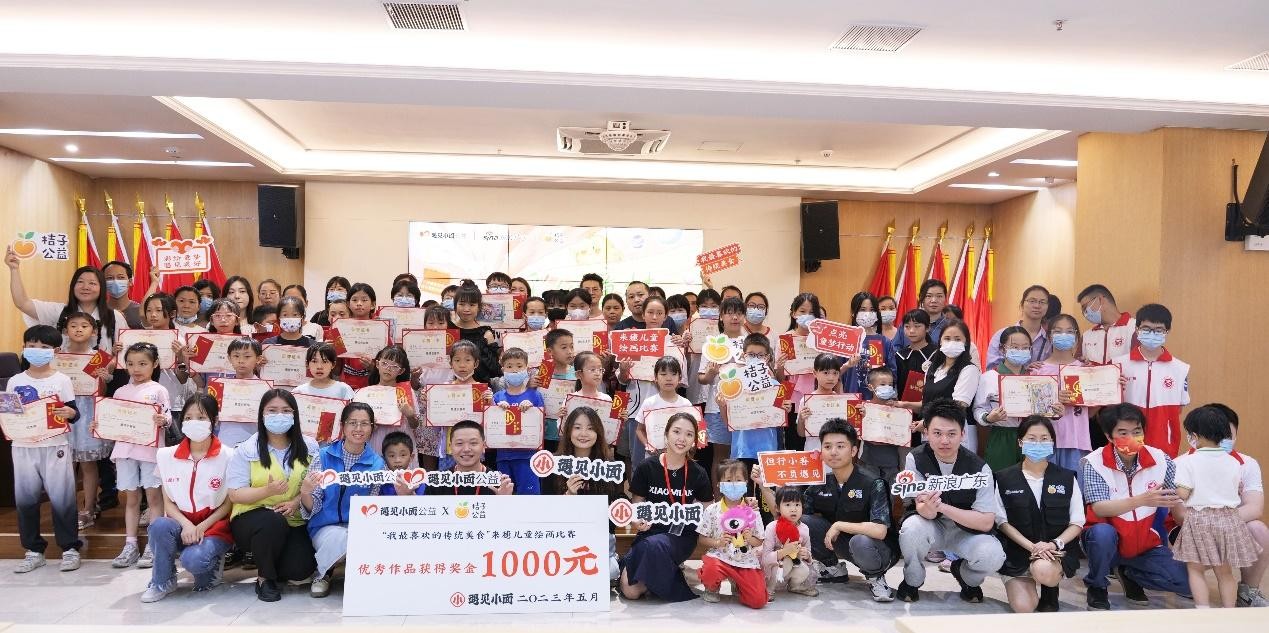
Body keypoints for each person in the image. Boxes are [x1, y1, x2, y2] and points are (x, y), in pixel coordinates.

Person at [1079, 403, 1190, 610]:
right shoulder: (1093, 462)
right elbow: (1099, 508)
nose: (1131, 437)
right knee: (1102, 535)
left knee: (1186, 583)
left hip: (1145, 543)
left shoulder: (1161, 459)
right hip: (1107, 540)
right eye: (1123, 433)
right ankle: (1097, 586)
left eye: (1137, 431)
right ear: (1109, 436)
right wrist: (1142, 500)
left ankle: (1130, 574)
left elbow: (1176, 500)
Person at [896, 399, 1006, 604]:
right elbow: (924, 510)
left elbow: (985, 522)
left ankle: (966, 576)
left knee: (993, 555)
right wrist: (930, 508)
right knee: (911, 529)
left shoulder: (980, 468)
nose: (944, 440)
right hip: (931, 525)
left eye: (951, 434)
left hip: (966, 532)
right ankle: (912, 580)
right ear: (926, 433)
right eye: (937, 433)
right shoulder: (916, 458)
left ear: (963, 434)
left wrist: (942, 506)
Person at [789, 419, 898, 601]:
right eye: (827, 446)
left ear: (853, 450)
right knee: (804, 522)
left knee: (860, 541)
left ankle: (876, 577)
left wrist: (839, 525)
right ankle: (832, 568)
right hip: (841, 543)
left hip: (879, 549)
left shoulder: (873, 482)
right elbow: (792, 518)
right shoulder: (820, 483)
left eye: (840, 446)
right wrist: (767, 487)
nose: (833, 452)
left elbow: (880, 531)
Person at [226, 389, 318, 602]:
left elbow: (316, 484)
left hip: (293, 518)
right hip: (253, 518)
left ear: (294, 415)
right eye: (272, 411)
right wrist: (267, 491)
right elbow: (235, 494)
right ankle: (265, 578)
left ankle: (273, 562)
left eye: (286, 411)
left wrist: (296, 501)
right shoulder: (246, 449)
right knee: (272, 522)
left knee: (300, 569)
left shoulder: (310, 447)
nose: (279, 416)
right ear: (262, 414)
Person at [141, 394, 234, 602]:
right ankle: (162, 581)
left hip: (214, 525)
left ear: (214, 420)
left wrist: (201, 527)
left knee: (194, 562)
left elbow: (229, 503)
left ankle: (212, 564)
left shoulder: (229, 456)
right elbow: (168, 502)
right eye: (188, 418)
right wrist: (186, 525)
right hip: (182, 524)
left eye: (201, 417)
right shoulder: (166, 456)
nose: (194, 422)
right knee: (159, 526)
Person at [9, 325, 83, 573]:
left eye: (44, 347)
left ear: (55, 351)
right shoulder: (15, 381)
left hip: (55, 445)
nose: (37, 350)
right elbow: (9, 413)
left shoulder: (61, 380)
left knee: (63, 498)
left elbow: (74, 413)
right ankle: (33, 550)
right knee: (26, 499)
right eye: (32, 346)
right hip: (23, 446)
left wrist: (70, 412)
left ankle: (70, 548)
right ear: (24, 348)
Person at [1172, 406, 1262, 608]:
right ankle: (1228, 611)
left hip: (1199, 520)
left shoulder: (1188, 462)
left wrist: (1174, 488)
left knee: (1195, 570)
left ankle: (1203, 610)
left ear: (1194, 436)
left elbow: (1183, 495)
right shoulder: (1234, 462)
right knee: (1225, 572)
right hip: (1229, 520)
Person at [993, 416, 1085, 613]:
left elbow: (1077, 521)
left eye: (1044, 439)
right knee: (1024, 608)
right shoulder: (1003, 478)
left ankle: (1050, 589)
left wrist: (1053, 545)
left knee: (1044, 570)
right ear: (1020, 442)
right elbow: (1001, 522)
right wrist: (1033, 547)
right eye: (1031, 438)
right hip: (1018, 552)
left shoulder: (1067, 477)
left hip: (1054, 553)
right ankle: (1024, 580)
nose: (1038, 444)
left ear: (1052, 442)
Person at [300, 402, 391, 598]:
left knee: (363, 537)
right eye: (353, 423)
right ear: (343, 426)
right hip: (325, 527)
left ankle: (355, 573)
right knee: (340, 538)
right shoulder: (323, 456)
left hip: (358, 526)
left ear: (372, 428)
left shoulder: (378, 464)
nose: (358, 428)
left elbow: (373, 504)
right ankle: (323, 574)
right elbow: (313, 505)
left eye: (364, 424)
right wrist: (305, 492)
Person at [621, 412, 713, 602]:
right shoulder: (647, 467)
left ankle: (662, 570)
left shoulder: (698, 473)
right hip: (649, 532)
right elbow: (636, 505)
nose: (682, 438)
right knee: (631, 592)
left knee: (654, 546)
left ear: (694, 441)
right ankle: (667, 570)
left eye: (689, 434)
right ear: (666, 434)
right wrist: (637, 521)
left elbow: (708, 510)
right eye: (676, 432)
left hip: (681, 535)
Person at [105, 342, 173, 569]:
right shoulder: (119, 391)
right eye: (131, 364)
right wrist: (101, 424)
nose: (136, 369)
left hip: (150, 451)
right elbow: (112, 419)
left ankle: (154, 545)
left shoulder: (158, 390)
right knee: (132, 499)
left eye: (143, 363)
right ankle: (130, 544)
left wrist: (164, 420)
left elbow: (168, 416)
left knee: (154, 499)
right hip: (125, 451)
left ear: (155, 364)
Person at [1201, 404, 1269, 606]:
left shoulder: (1247, 464)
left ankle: (1248, 592)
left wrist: (1221, 523)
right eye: (1215, 434)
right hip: (1192, 532)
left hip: (1229, 529)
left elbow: (1254, 508)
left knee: (1258, 529)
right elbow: (1179, 515)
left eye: (1228, 435)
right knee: (1182, 583)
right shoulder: (1183, 464)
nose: (1222, 441)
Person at [549, 406, 624, 579]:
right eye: (577, 427)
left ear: (598, 433)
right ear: (568, 431)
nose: (583, 433)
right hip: (563, 536)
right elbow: (547, 509)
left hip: (598, 536)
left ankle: (611, 557)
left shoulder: (609, 466)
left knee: (610, 572)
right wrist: (568, 496)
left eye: (590, 428)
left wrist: (622, 507)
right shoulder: (554, 463)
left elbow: (617, 501)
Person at [974, 326, 1061, 471]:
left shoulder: (1035, 376)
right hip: (1002, 437)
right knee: (1000, 478)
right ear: (1002, 349)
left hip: (1032, 437)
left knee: (1032, 477)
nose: (1020, 351)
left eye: (1025, 347)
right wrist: (988, 418)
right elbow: (978, 408)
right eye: (1014, 347)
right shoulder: (989, 377)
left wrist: (1056, 412)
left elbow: (1046, 408)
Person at [59, 313, 113, 529]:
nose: (79, 329)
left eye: (84, 325)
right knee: (65, 464)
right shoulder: (57, 356)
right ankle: (68, 509)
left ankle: (88, 509)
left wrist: (102, 378)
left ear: (94, 332)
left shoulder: (99, 357)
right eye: (73, 325)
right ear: (65, 331)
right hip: (63, 412)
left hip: (88, 412)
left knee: (88, 464)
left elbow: (102, 391)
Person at [1114, 303, 1189, 457]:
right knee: (1129, 470)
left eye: (1159, 330)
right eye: (1146, 329)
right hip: (1128, 438)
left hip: (1163, 443)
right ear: (1137, 329)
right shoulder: (1119, 364)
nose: (1152, 334)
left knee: (1160, 472)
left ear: (1167, 331)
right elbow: (1109, 406)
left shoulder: (1180, 368)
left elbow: (1179, 408)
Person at [7, 252, 122, 351]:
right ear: (73, 286)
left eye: (92, 283)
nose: (85, 287)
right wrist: (14, 269)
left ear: (102, 288)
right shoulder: (58, 311)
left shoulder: (114, 316)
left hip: (103, 370)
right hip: (63, 369)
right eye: (80, 282)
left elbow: (124, 351)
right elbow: (22, 303)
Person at [696, 460, 770, 608]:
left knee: (758, 601)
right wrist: (718, 542)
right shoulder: (712, 510)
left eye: (738, 480)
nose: (734, 484)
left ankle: (738, 584)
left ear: (746, 483)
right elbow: (702, 539)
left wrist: (750, 538)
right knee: (711, 570)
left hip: (745, 560)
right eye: (728, 480)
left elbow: (759, 540)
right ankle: (712, 587)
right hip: (720, 557)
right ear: (719, 484)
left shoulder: (752, 510)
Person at [1032, 314, 1094, 472]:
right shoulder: (1038, 370)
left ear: (1076, 337)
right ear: (1049, 336)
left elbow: (1091, 411)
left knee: (1074, 485)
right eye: (1058, 331)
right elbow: (1030, 411)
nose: (1063, 335)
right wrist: (1052, 398)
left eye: (1069, 331)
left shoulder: (1086, 370)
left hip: (1076, 440)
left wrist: (1114, 388)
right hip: (1044, 441)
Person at [697, 296, 748, 471]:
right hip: (717, 407)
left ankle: (741, 490)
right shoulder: (713, 343)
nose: (735, 317)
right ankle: (719, 490)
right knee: (720, 457)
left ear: (744, 316)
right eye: (730, 313)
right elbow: (701, 378)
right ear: (721, 316)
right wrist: (711, 373)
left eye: (739, 313)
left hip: (746, 407)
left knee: (743, 457)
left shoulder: (751, 342)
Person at [921, 319, 981, 453]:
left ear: (966, 343)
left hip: (956, 434)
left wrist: (926, 422)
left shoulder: (969, 369)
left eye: (957, 339)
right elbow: (926, 402)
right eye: (947, 338)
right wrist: (902, 405)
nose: (952, 342)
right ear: (940, 341)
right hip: (931, 433)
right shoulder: (933, 368)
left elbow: (959, 405)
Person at [491, 347, 545, 494]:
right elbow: (490, 426)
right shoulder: (497, 397)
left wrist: (532, 409)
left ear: (527, 369)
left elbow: (541, 425)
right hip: (503, 456)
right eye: (509, 366)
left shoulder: (535, 396)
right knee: (505, 496)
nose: (514, 370)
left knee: (529, 497)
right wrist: (497, 409)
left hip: (528, 457)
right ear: (503, 370)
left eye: (519, 366)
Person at [423, 420, 515, 495]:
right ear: (450, 447)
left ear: (483, 446)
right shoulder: (437, 482)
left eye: (473, 443)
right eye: (459, 443)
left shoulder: (499, 483)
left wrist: (504, 501)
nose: (466, 449)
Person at [630, 355, 693, 463]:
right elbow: (639, 430)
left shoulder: (686, 404)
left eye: (673, 374)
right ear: (656, 377)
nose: (668, 378)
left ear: (680, 377)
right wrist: (648, 445)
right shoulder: (649, 403)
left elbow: (694, 430)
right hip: (654, 458)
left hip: (679, 457)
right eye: (663, 374)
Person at [761, 486, 818, 599]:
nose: (793, 509)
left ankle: (794, 586)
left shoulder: (804, 529)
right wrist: (784, 551)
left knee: (804, 569)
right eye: (787, 505)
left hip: (790, 569)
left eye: (797, 504)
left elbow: (809, 552)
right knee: (787, 560)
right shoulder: (772, 527)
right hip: (772, 570)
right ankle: (769, 589)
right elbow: (765, 558)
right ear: (777, 508)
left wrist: (806, 555)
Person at [985, 285, 1053, 366]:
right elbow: (992, 367)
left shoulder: (1050, 339)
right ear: (1022, 304)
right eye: (1032, 301)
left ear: (1047, 306)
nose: (1037, 306)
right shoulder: (1002, 334)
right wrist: (1023, 370)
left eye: (1042, 302)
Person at [451, 281, 502, 382]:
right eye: (462, 304)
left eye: (472, 304)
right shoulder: (449, 331)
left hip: (480, 388)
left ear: (479, 307)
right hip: (451, 387)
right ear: (455, 305)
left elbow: (494, 369)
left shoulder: (486, 334)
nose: (466, 309)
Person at [796, 353, 845, 453]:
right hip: (814, 451)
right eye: (826, 373)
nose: (831, 377)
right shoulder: (807, 401)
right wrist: (801, 419)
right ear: (815, 373)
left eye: (835, 373)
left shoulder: (841, 401)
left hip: (836, 453)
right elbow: (801, 433)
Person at [1076, 284, 1136, 365]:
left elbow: (1139, 363)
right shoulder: (1086, 336)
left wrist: (1096, 367)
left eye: (1085, 307)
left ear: (1100, 300)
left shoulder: (1134, 328)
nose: (1084, 313)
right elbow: (1076, 365)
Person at [101, 260, 144, 328]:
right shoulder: (97, 311)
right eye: (110, 278)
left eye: (121, 277)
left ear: (130, 282)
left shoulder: (141, 312)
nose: (115, 281)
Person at [918, 280, 949, 344]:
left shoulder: (951, 326)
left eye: (939, 296)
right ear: (921, 298)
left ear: (945, 298)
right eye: (929, 296)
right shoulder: (908, 324)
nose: (934, 300)